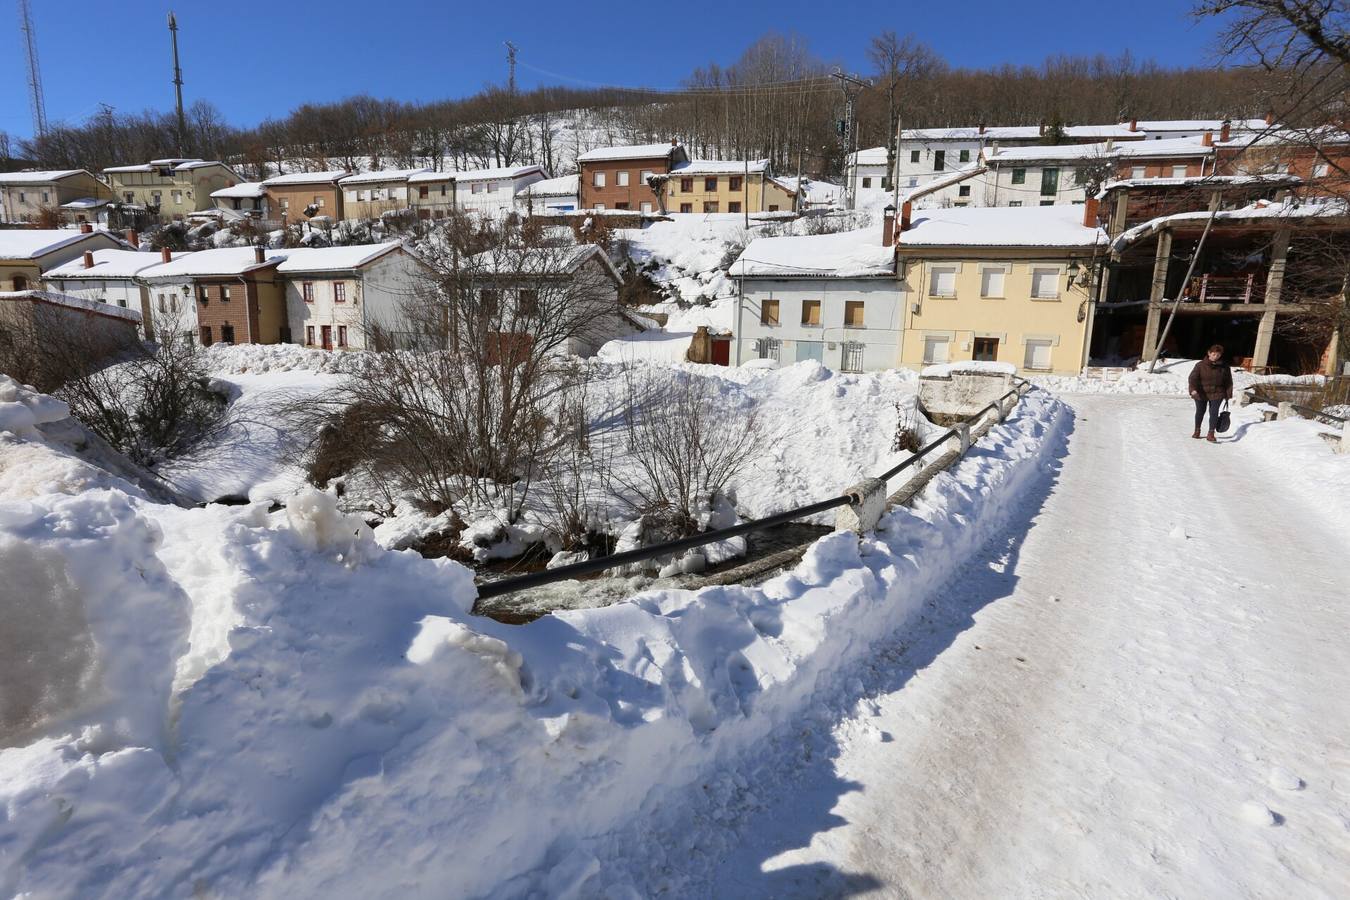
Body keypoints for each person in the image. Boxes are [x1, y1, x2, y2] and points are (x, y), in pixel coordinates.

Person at [1188, 344, 1233, 442]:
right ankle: (1197, 430)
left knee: (1214, 412)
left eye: (1218, 355)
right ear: (1209, 353)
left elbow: (1228, 381)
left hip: (1218, 393)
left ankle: (1211, 434)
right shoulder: (1200, 365)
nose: (1215, 357)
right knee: (1200, 411)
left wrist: (1228, 394)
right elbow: (1192, 378)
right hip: (1201, 392)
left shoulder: (1224, 367)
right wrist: (1193, 390)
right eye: (1213, 354)